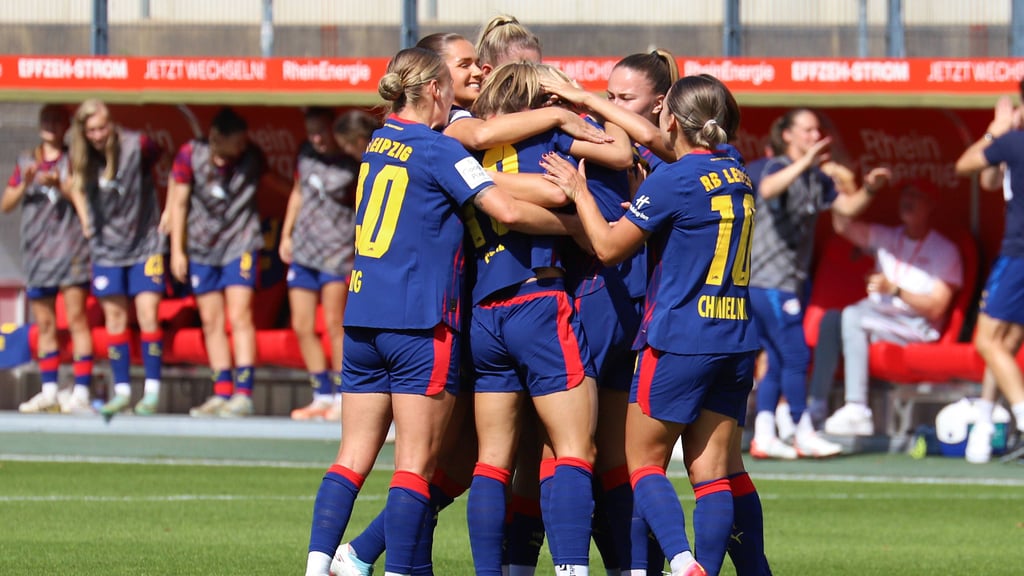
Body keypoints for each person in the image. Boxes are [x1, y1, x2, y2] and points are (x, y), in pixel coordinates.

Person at [304, 46, 581, 576]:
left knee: (351, 458)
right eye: (454, 80)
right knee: (415, 465)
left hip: (362, 317)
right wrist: (578, 228)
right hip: (419, 321)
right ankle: (398, 569)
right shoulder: (437, 147)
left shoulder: (377, 143)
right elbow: (503, 209)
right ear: (434, 89)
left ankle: (319, 565)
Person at [543, 73, 759, 576]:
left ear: (669, 117)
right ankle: (709, 565)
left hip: (679, 339)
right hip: (734, 338)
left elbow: (607, 247)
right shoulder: (737, 171)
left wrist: (579, 192)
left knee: (642, 464)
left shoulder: (674, 179)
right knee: (712, 478)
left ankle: (681, 562)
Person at [747, 108, 891, 459]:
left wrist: (870, 188)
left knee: (779, 360)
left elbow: (848, 207)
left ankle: (764, 433)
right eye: (808, 130)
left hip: (787, 282)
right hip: (766, 281)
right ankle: (802, 430)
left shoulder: (817, 178)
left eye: (817, 130)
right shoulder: (775, 167)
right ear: (788, 136)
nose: (815, 136)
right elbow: (767, 189)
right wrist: (807, 161)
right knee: (796, 354)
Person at [813, 181, 963, 436]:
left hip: (915, 326)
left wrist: (895, 290)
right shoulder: (887, 236)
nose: (908, 200)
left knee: (852, 317)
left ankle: (857, 408)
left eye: (917, 195)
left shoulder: (945, 250)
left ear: (930, 205)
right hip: (877, 318)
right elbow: (842, 226)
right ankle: (814, 407)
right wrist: (841, 186)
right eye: (906, 194)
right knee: (832, 320)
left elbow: (937, 308)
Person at [168, 107, 285, 418]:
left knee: (240, 316)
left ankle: (243, 394)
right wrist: (177, 251)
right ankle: (221, 391)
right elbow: (178, 202)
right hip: (202, 248)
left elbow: (277, 183)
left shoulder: (251, 157)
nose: (241, 148)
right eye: (235, 142)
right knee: (211, 320)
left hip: (241, 243)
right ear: (216, 138)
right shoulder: (190, 154)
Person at [66, 99, 167, 419]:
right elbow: (74, 186)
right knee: (115, 320)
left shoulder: (137, 145)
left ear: (111, 124)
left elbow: (173, 166)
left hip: (145, 244)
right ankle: (121, 390)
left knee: (148, 313)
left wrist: (169, 213)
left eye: (102, 127)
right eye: (91, 130)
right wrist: (85, 219)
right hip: (107, 250)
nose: (97, 135)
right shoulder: (82, 156)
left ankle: (152, 391)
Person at [282, 108, 375, 421]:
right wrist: (286, 234)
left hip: (336, 252)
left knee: (334, 324)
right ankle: (320, 393)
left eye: (322, 131)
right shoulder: (306, 153)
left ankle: (340, 395)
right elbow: (297, 193)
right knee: (301, 325)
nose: (317, 139)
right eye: (311, 132)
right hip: (304, 250)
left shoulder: (354, 161)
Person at [3, 104, 94, 414]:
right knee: (44, 323)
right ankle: (49, 390)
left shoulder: (75, 160)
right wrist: (26, 182)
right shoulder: (27, 160)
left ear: (67, 125)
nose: (52, 125)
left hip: (69, 251)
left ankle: (81, 390)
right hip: (37, 253)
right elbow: (7, 203)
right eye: (47, 119)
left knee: (77, 319)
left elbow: (83, 198)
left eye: (58, 120)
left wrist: (60, 186)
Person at [955, 91, 1024, 462]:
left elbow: (964, 165)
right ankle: (983, 425)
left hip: (1017, 255)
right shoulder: (1012, 146)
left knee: (987, 342)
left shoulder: (1011, 140)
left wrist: (994, 133)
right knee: (1006, 344)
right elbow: (990, 182)